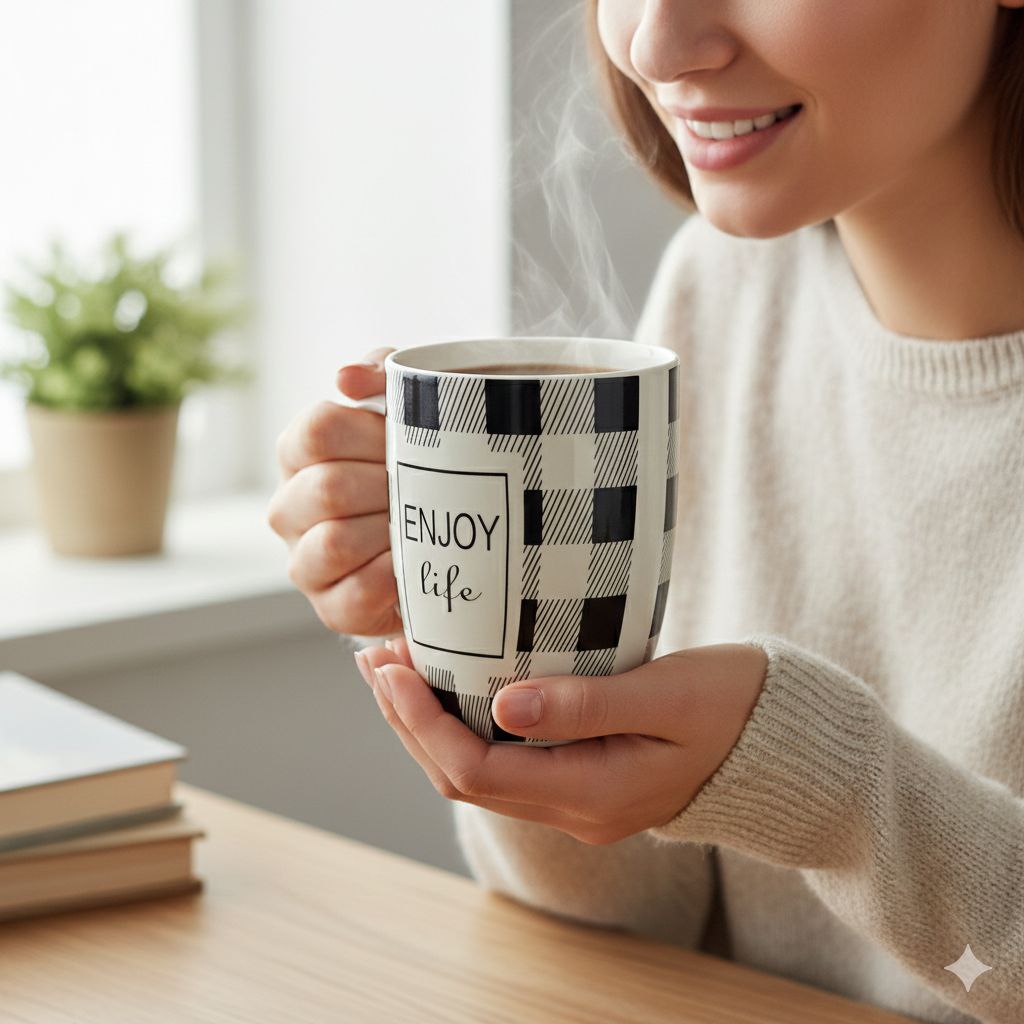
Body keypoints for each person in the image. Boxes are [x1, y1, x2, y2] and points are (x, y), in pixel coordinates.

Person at [268, 2, 1024, 1021]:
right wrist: (493, 640)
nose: (656, 46)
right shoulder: (725, 293)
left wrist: (830, 792)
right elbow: (648, 937)